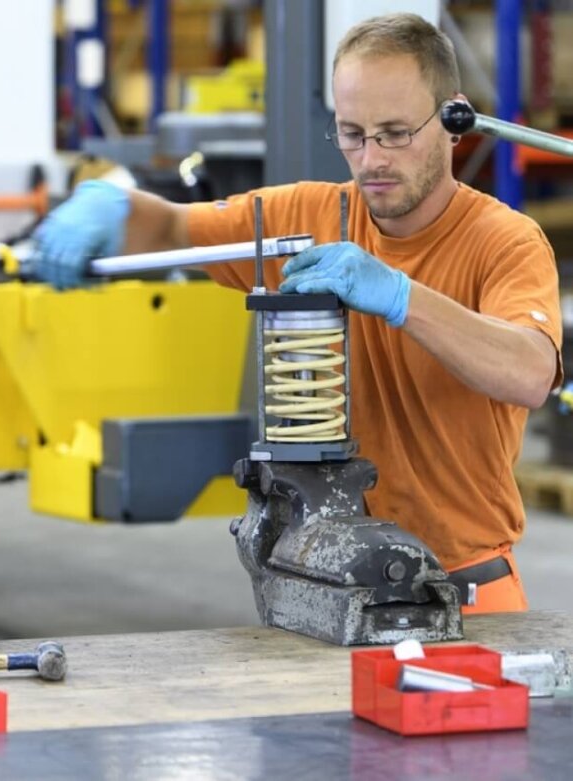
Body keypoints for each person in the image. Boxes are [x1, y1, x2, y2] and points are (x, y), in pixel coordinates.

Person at [33, 12, 562, 615]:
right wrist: (109, 206)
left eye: (395, 132)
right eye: (353, 133)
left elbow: (529, 371)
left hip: (462, 593)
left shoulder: (506, 242)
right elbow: (175, 226)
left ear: (452, 119)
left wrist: (399, 296)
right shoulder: (306, 218)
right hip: (323, 589)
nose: (371, 160)